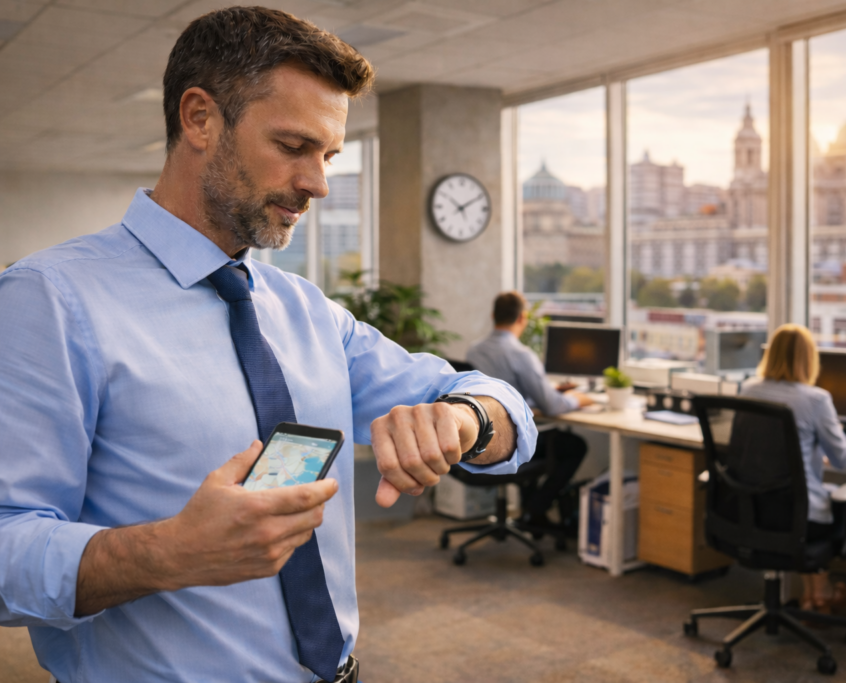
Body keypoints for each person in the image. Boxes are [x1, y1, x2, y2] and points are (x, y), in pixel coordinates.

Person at [0, 8, 536, 683]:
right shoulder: (49, 299)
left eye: (328, 155)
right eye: (293, 145)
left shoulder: (306, 310)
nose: (318, 183)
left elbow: (503, 408)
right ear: (200, 118)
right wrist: (168, 552)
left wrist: (463, 419)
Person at [740, 324, 846, 615]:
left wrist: (812, 453)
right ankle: (821, 595)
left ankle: (813, 596)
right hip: (796, 516)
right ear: (809, 359)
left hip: (751, 509)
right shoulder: (815, 400)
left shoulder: (748, 390)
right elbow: (843, 458)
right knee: (820, 499)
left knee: (807, 496)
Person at [467, 291, 591, 529]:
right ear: (522, 318)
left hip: (480, 439)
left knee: (538, 440)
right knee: (574, 446)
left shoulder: (474, 351)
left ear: (493, 316)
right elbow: (552, 406)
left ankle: (532, 513)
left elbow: (497, 391)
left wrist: (544, 392)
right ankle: (536, 509)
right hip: (510, 441)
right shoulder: (520, 354)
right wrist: (578, 400)